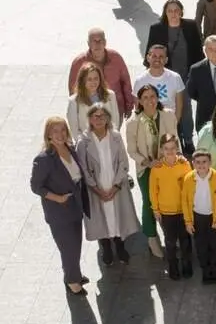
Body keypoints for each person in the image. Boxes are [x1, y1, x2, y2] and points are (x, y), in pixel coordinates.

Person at [76, 103, 141, 266]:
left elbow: (123, 162)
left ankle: (120, 247)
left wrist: (116, 186)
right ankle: (106, 248)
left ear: (107, 118)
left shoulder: (116, 136)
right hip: (96, 189)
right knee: (102, 220)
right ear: (90, 119)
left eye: (102, 116)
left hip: (115, 186)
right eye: (95, 116)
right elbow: (83, 168)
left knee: (117, 218)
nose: (99, 119)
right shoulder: (83, 141)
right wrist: (97, 190)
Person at [32, 118, 90, 295]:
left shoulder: (70, 149)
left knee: (77, 243)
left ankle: (74, 273)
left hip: (75, 204)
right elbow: (36, 186)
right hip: (59, 210)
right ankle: (72, 281)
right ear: (48, 135)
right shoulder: (44, 159)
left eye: (63, 130)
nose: (60, 134)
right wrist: (57, 198)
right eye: (55, 131)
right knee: (68, 246)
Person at [126, 84, 178, 258]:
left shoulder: (168, 115)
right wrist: (147, 163)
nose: (150, 101)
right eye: (145, 97)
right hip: (147, 168)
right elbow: (132, 150)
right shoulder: (134, 123)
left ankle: (171, 232)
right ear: (139, 101)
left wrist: (167, 159)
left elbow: (174, 139)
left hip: (166, 163)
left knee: (169, 197)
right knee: (149, 201)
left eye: (153, 96)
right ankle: (151, 236)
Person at [146, 1, 203, 150]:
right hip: (165, 78)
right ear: (165, 12)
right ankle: (173, 139)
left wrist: (198, 75)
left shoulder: (190, 26)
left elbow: (198, 52)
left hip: (186, 76)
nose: (173, 14)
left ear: (181, 12)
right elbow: (149, 54)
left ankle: (188, 140)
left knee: (185, 108)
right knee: (167, 109)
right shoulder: (157, 29)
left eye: (176, 10)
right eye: (170, 11)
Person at [148, 134, 192, 280]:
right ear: (161, 150)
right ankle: (173, 266)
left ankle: (187, 264)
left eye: (173, 148)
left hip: (183, 210)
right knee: (170, 241)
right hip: (166, 212)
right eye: (166, 148)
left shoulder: (184, 164)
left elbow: (190, 186)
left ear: (177, 148)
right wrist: (155, 209)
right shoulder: (157, 168)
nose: (170, 151)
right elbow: (153, 190)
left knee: (185, 240)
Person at [181, 149, 216, 284]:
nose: (201, 165)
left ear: (210, 163)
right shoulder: (189, 178)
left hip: (213, 217)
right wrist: (188, 222)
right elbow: (184, 200)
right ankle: (205, 267)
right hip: (197, 217)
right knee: (201, 244)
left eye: (204, 162)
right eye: (198, 162)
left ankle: (215, 267)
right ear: (193, 163)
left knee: (215, 243)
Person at [68, 29, 135, 119]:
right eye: (94, 41)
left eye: (100, 40)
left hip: (115, 109)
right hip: (88, 112)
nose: (97, 44)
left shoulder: (116, 58)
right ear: (88, 43)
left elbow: (126, 82)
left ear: (105, 42)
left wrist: (129, 105)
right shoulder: (79, 62)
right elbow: (73, 89)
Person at [133, 45, 185, 145]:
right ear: (148, 58)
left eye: (161, 56)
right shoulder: (140, 80)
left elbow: (179, 105)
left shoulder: (175, 77)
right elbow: (138, 107)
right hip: (148, 126)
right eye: (154, 56)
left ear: (166, 60)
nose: (157, 59)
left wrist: (173, 124)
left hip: (170, 124)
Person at [67, 62, 121, 136]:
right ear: (82, 81)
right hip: (87, 144)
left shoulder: (110, 95)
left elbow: (115, 121)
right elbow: (75, 130)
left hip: (109, 142)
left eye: (96, 78)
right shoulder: (73, 101)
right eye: (89, 79)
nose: (93, 82)